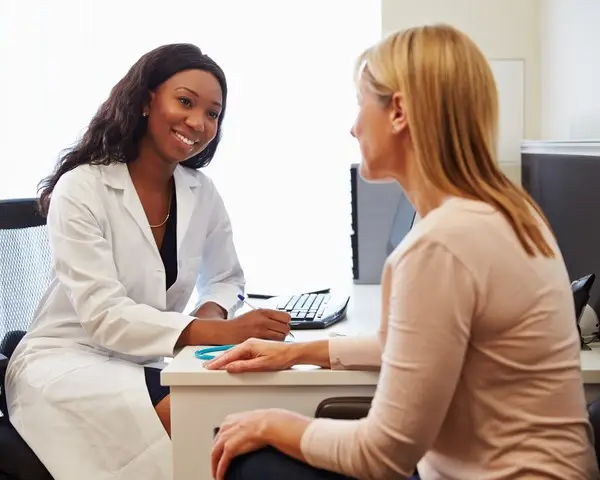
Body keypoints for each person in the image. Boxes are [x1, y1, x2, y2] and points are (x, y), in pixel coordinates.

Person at [205, 24, 600, 480]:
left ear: (398, 112)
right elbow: (422, 348)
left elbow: (382, 454)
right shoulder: (509, 213)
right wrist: (297, 352)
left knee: (251, 463)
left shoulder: (441, 245)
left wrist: (272, 422)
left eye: (359, 104)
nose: (352, 127)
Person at [5, 43, 291, 480]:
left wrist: (210, 320)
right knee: (199, 415)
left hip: (144, 358)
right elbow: (105, 317)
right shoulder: (81, 188)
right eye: (185, 102)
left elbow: (226, 277)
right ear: (144, 101)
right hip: (67, 362)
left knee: (234, 403)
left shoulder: (200, 191)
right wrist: (223, 332)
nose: (198, 122)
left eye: (213, 113)